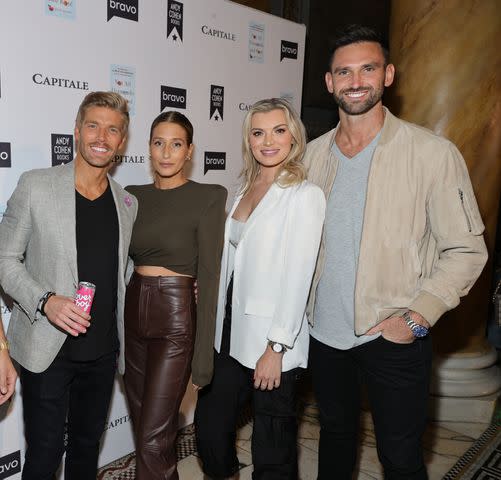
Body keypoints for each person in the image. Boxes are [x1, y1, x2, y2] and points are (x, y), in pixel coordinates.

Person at [304, 25, 488, 479]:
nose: (355, 81)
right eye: (343, 72)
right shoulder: (309, 157)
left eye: (367, 69)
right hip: (324, 335)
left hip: (393, 334)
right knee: (334, 439)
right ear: (329, 83)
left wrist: (417, 317)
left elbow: (466, 250)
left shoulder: (432, 154)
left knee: (401, 457)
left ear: (388, 74)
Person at [0, 91, 138, 479]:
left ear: (122, 142)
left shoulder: (127, 203)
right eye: (93, 125)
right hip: (47, 349)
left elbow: (123, 270)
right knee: (44, 456)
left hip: (102, 350)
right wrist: (45, 301)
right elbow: (4, 260)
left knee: (85, 451)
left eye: (113, 130)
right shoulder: (36, 186)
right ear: (76, 131)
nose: (101, 136)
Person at [195, 98, 326, 480]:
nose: (268, 141)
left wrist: (276, 348)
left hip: (272, 339)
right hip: (229, 333)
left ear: (294, 138)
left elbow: (298, 277)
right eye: (258, 132)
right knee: (210, 429)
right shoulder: (242, 189)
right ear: (249, 140)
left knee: (272, 446)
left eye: (278, 130)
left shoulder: (304, 195)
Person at [124, 110, 227, 480]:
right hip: (133, 311)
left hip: (176, 314)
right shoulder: (131, 197)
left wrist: (204, 358)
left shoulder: (209, 197)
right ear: (148, 149)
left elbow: (211, 277)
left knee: (152, 436)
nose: (166, 152)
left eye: (176, 144)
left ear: (190, 151)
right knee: (148, 432)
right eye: (158, 143)